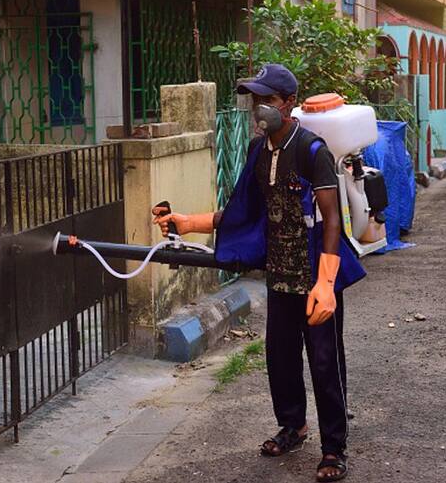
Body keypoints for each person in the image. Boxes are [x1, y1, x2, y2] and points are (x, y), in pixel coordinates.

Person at [152, 64, 365, 482]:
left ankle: (334, 448)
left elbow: (332, 220)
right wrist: (187, 222)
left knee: (325, 363)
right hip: (280, 273)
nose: (258, 108)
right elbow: (241, 211)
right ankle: (293, 426)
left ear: (287, 104)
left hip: (314, 274)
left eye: (266, 100)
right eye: (254, 100)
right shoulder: (257, 150)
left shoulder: (312, 150)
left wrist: (325, 284)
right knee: (280, 357)